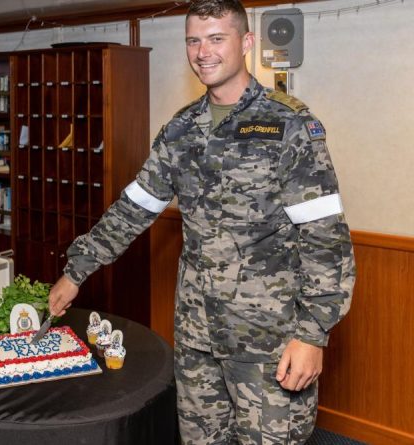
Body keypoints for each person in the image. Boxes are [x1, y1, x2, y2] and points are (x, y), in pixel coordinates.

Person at [48, 1, 355, 443]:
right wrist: (77, 272)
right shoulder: (181, 129)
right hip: (197, 336)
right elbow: (135, 207)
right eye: (194, 40)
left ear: (246, 42)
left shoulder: (289, 124)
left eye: (216, 38)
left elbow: (326, 239)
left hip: (269, 342)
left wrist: (312, 334)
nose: (202, 51)